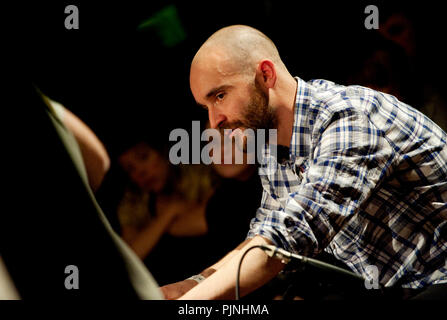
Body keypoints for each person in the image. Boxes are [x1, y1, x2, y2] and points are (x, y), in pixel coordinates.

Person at [160, 25, 447, 300]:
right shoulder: (274, 145)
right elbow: (265, 235)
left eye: (220, 96)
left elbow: (288, 239)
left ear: (265, 75)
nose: (214, 121)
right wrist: (192, 285)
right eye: (206, 106)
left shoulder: (346, 118)